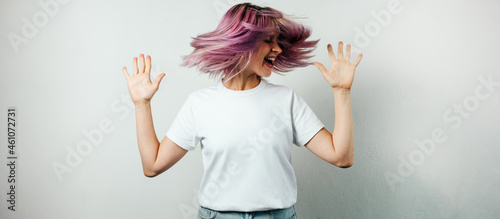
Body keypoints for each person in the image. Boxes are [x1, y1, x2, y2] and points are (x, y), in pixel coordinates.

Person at [122, 3, 362, 219]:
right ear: (241, 40)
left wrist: (342, 91)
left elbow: (341, 157)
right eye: (268, 40)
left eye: (277, 41)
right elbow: (152, 166)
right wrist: (141, 104)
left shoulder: (286, 99)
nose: (277, 49)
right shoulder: (200, 103)